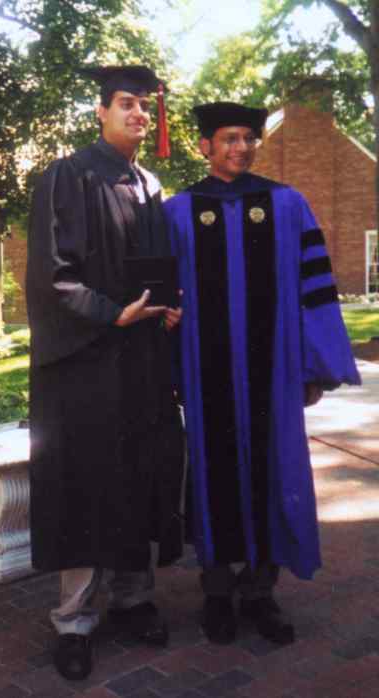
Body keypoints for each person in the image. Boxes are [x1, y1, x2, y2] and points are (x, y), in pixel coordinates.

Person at [163, 101, 360, 645]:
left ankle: (261, 593)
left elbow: (315, 287)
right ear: (205, 146)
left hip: (272, 375)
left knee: (274, 473)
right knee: (214, 475)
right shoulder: (178, 212)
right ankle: (217, 593)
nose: (241, 148)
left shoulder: (287, 204)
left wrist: (314, 366)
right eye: (228, 139)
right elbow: (163, 300)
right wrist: (168, 367)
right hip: (208, 378)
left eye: (248, 138)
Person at [26, 65, 184, 680]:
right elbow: (50, 275)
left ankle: (132, 599)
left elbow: (158, 270)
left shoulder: (150, 185)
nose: (138, 114)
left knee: (140, 474)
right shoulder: (67, 177)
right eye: (126, 103)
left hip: (140, 363)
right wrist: (110, 314)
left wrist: (166, 308)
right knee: (88, 482)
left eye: (145, 106)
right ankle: (73, 619)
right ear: (100, 111)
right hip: (85, 366)